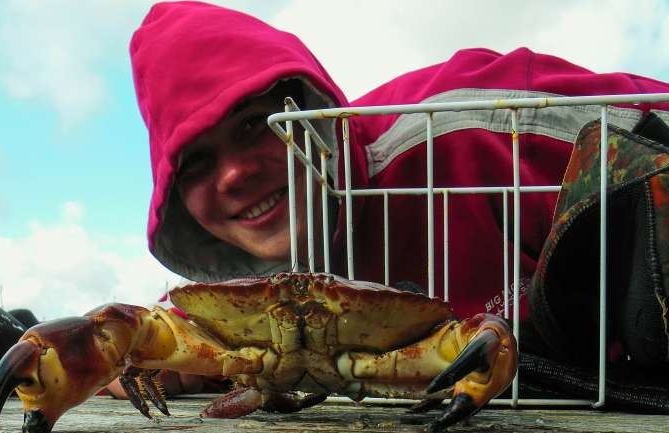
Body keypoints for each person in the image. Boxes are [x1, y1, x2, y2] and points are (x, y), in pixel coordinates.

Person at [121, 1, 669, 397]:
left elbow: (651, 124)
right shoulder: (217, 315)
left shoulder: (475, 122)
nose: (237, 173)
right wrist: (131, 363)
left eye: (254, 125)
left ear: (308, 107)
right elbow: (127, 338)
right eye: (194, 162)